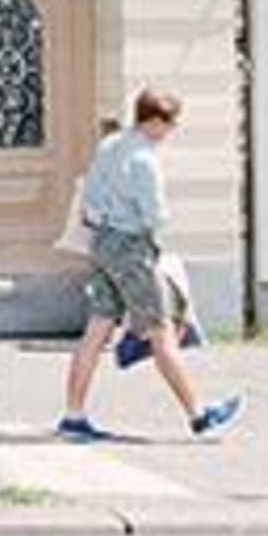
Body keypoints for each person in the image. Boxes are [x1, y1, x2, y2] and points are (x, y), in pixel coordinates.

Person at [57, 89, 239, 443]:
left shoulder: (110, 144)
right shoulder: (144, 161)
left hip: (102, 243)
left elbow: (89, 194)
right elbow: (155, 217)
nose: (171, 131)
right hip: (131, 248)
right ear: (155, 121)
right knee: (161, 330)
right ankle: (199, 416)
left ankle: (73, 415)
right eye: (170, 123)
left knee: (96, 328)